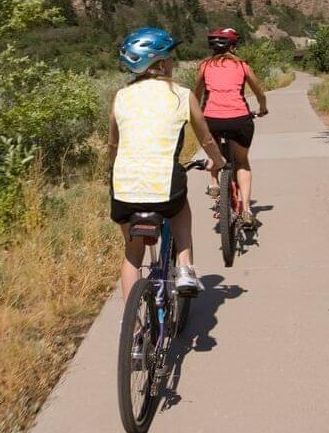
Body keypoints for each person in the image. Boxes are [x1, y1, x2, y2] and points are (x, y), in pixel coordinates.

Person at [109, 27, 226, 302]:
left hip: (123, 188)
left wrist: (111, 170)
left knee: (132, 255)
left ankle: (135, 330)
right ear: (160, 63)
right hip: (164, 185)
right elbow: (206, 138)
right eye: (170, 57)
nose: (172, 62)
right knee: (180, 210)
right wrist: (217, 161)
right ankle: (185, 267)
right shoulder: (182, 95)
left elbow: (113, 144)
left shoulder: (120, 97)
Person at [193, 27, 268, 228]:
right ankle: (246, 211)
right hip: (239, 119)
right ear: (233, 47)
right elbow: (259, 92)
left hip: (212, 120)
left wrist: (197, 112)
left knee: (212, 149)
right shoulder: (242, 66)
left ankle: (214, 183)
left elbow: (196, 94)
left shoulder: (204, 66)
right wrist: (262, 108)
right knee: (242, 162)